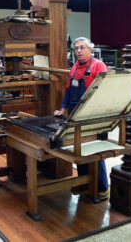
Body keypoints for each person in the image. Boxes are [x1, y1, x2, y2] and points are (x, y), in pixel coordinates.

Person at [54, 37, 109, 200]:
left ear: (90, 49)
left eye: (82, 47)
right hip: (74, 114)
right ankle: (85, 183)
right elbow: (68, 91)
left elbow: (104, 91)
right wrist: (62, 110)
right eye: (76, 48)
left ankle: (102, 188)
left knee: (94, 149)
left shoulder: (98, 66)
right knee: (78, 148)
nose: (78, 51)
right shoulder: (73, 68)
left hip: (92, 115)